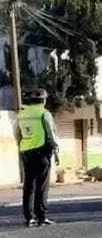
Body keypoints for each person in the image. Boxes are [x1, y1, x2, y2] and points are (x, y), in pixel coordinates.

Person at [15, 88, 59, 227]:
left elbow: (17, 134)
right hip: (41, 150)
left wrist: (23, 146)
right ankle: (41, 216)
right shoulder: (44, 113)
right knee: (42, 184)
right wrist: (55, 148)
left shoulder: (21, 114)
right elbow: (50, 133)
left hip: (26, 151)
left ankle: (29, 217)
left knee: (29, 184)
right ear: (43, 100)